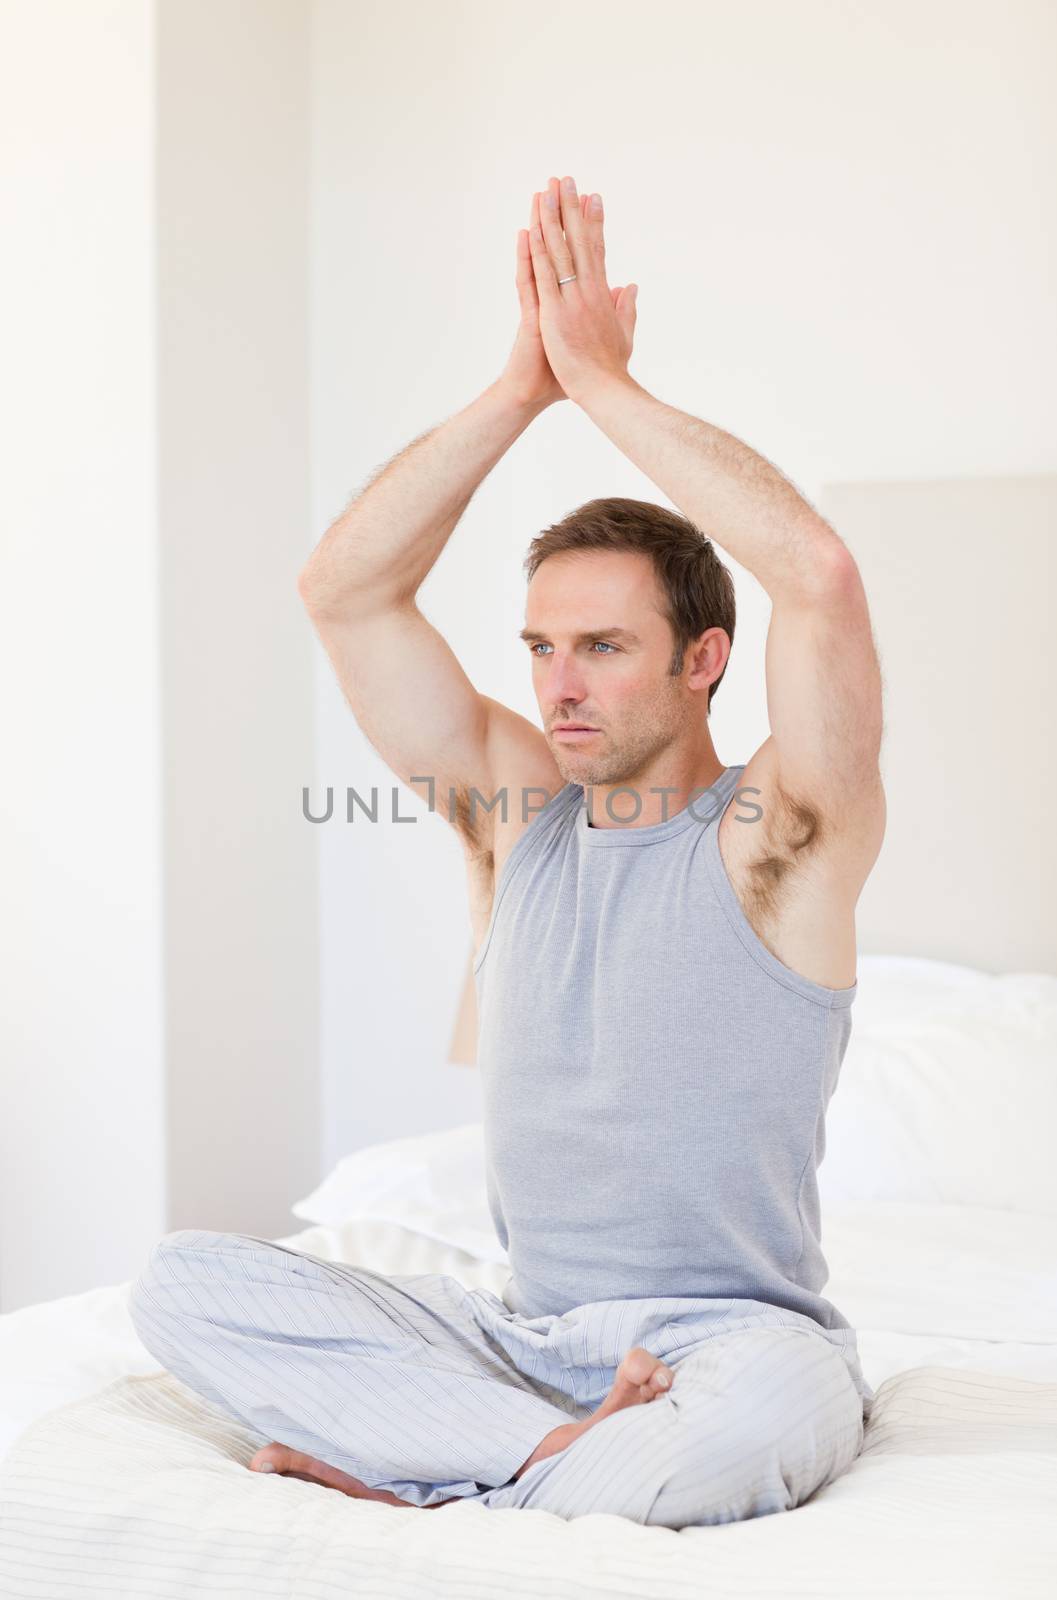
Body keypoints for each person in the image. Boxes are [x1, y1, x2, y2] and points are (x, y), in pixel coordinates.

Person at [128, 174, 886, 1527]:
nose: (558, 686)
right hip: (530, 1346)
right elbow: (343, 591)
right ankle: (539, 1457)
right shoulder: (516, 823)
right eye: (540, 648)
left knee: (750, 1428)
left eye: (602, 646)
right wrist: (517, 391)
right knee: (184, 1281)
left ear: (705, 662)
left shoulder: (781, 843)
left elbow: (816, 576)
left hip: (731, 1346)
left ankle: (427, 1473)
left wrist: (602, 387)